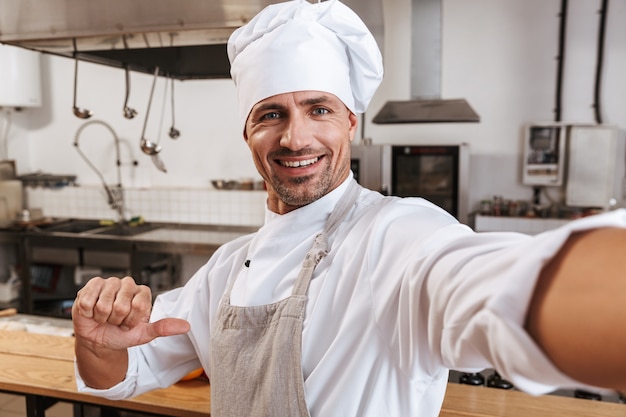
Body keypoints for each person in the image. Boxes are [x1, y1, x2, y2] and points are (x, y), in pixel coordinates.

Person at [72, 1, 626, 416]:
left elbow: (498, 287)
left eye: (319, 109)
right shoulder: (224, 269)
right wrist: (95, 343)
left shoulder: (399, 236)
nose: (296, 138)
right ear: (247, 131)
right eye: (270, 114)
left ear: (351, 123)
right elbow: (124, 372)